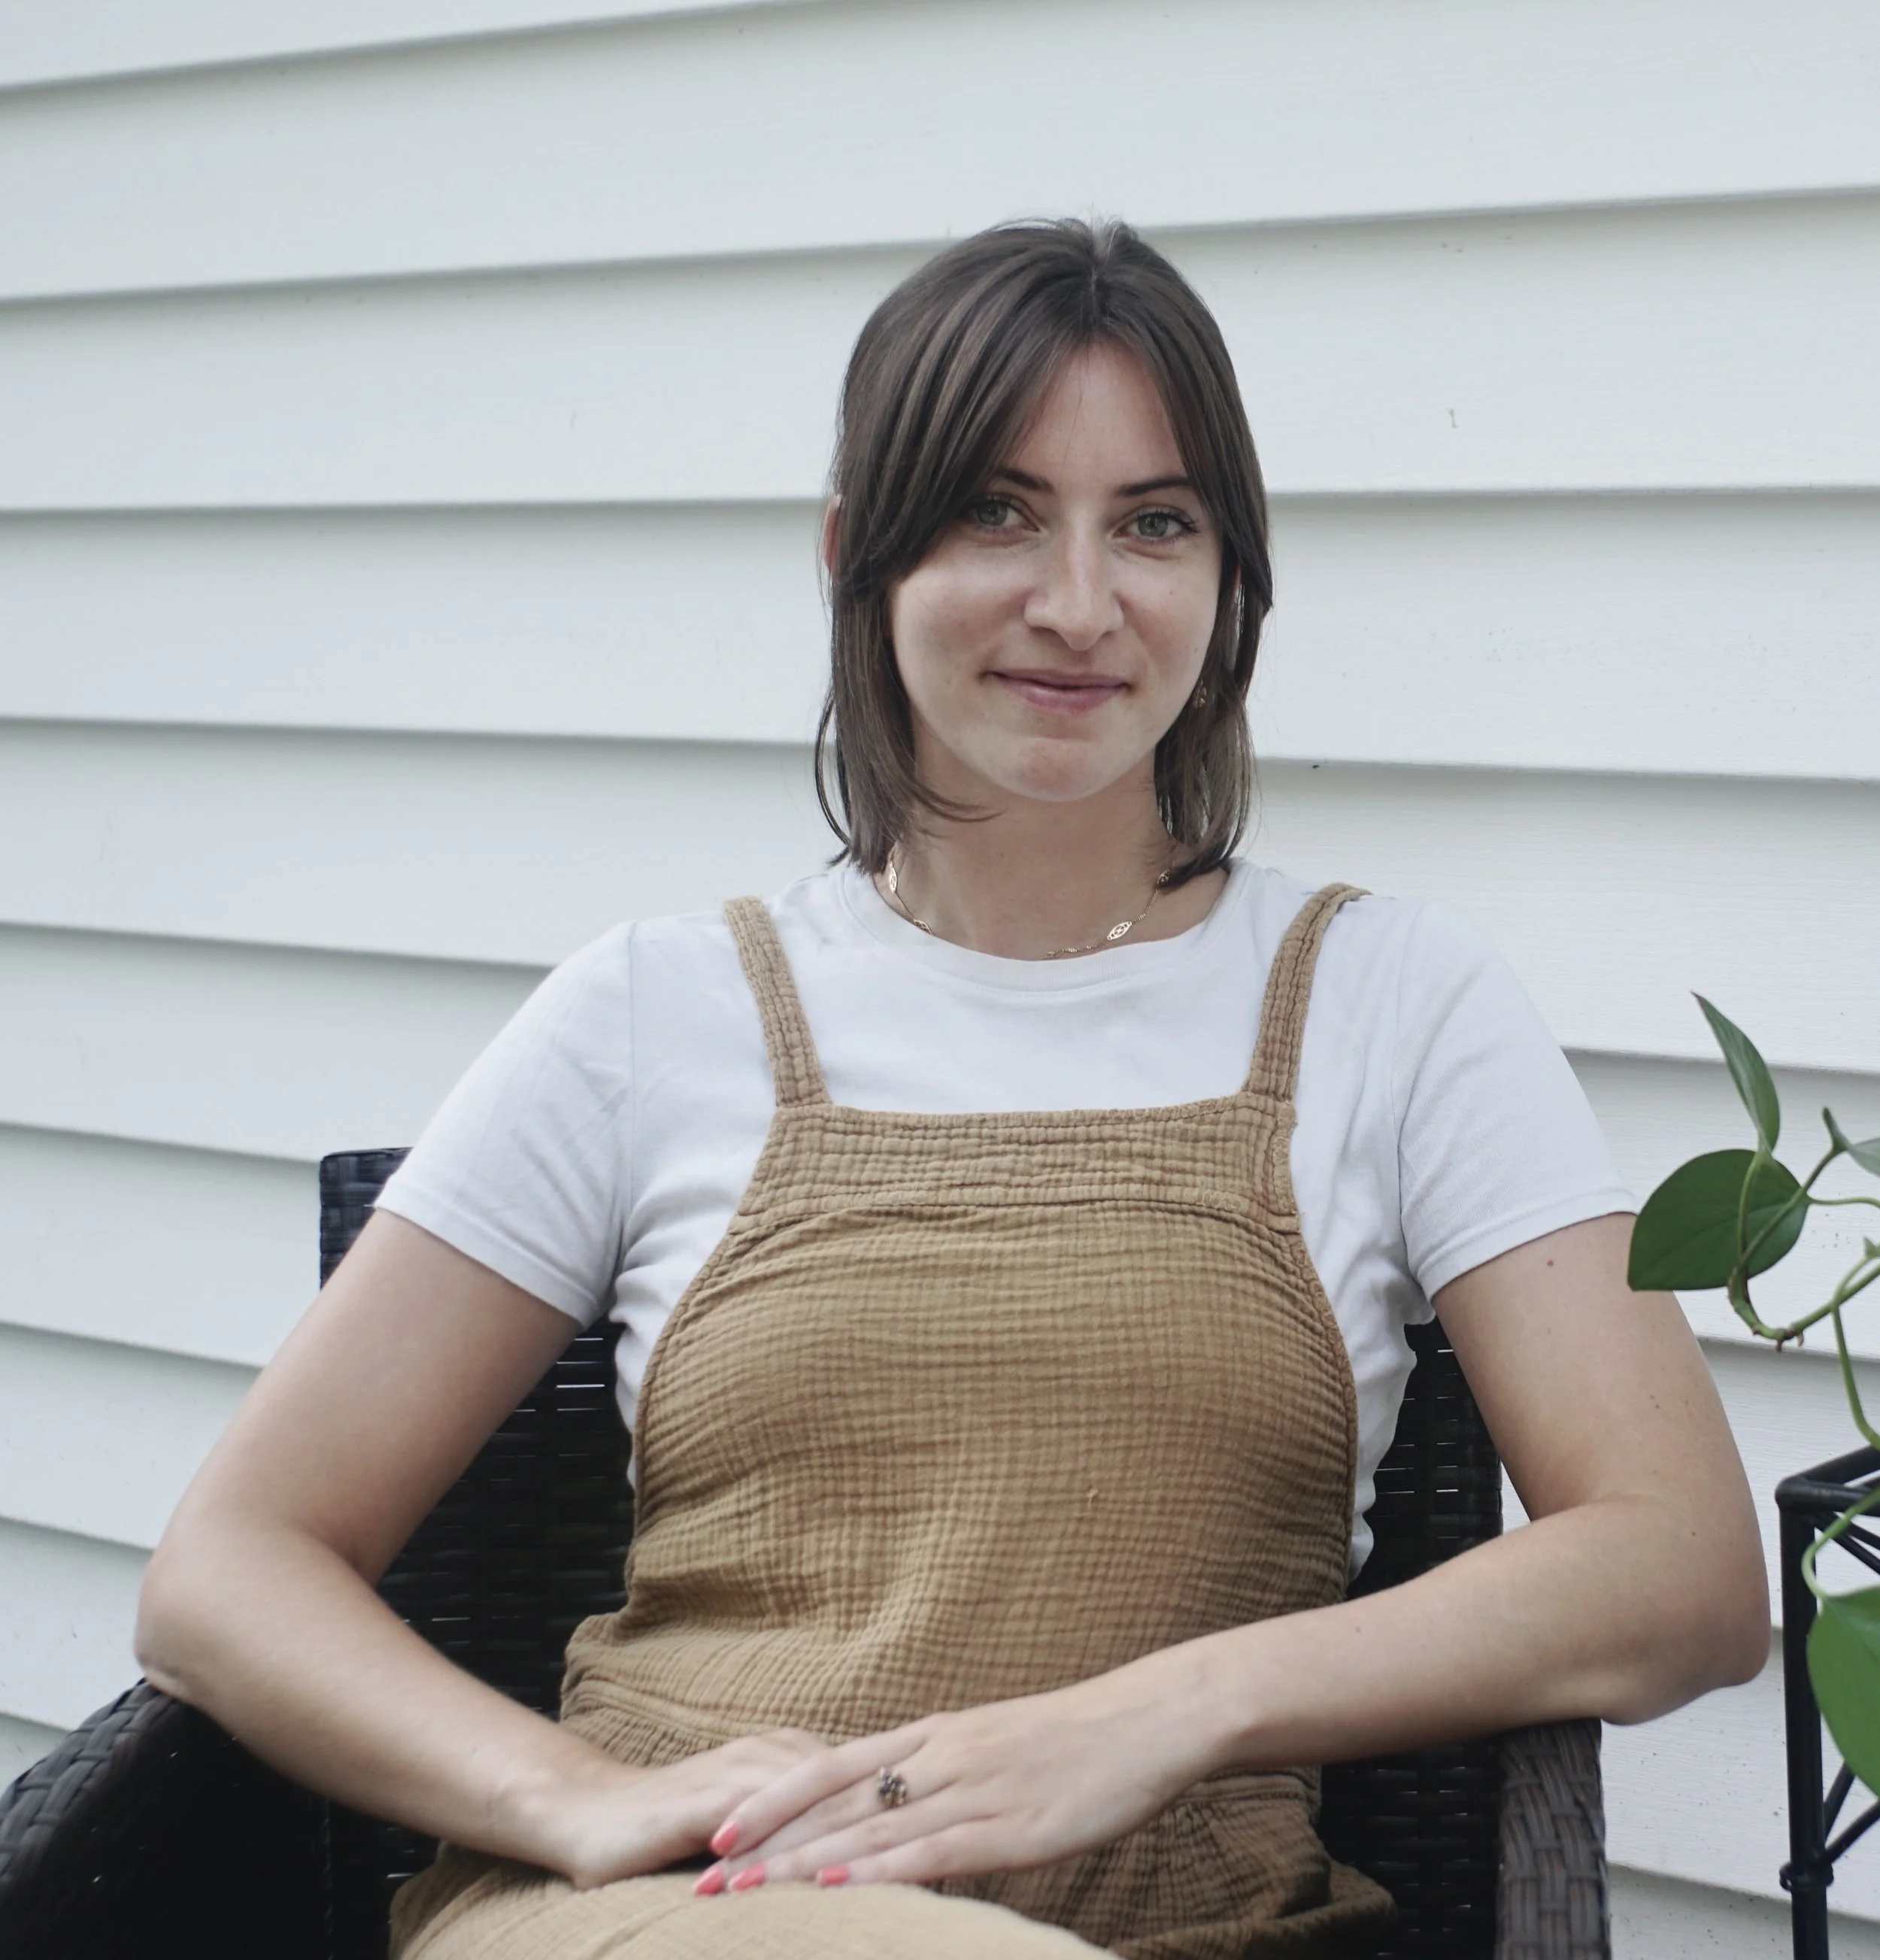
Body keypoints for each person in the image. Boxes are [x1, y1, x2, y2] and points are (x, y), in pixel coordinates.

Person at [135, 219, 1768, 1960]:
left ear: (1229, 583)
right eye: (996, 510)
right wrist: (566, 1800)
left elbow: (1677, 1563)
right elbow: (227, 1570)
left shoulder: (1395, 1003)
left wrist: (1160, 1711)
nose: (1077, 603)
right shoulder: (651, 1012)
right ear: (860, 553)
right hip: (685, 1922)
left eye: (1153, 521)